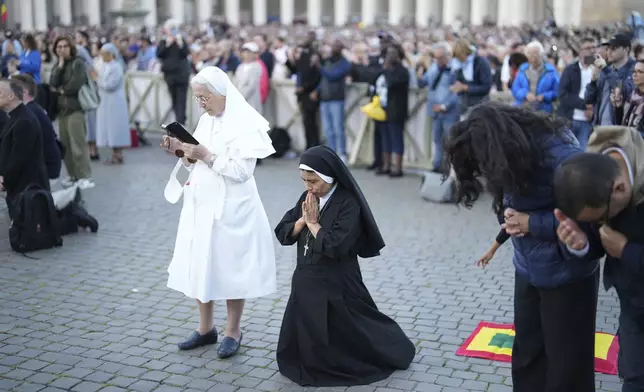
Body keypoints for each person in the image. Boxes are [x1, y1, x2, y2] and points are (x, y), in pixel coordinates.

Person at [444, 102, 603, 392]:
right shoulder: (512, 153)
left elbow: (592, 223)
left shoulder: (563, 157)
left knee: (567, 367)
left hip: (567, 277)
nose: (485, 173)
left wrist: (533, 223)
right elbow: (515, 206)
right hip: (529, 270)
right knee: (527, 357)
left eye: (483, 166)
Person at [274, 145, 415, 387]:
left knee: (354, 331)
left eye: (313, 181)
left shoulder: (349, 204)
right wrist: (301, 221)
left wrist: (314, 224)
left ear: (328, 177)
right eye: (304, 180)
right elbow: (283, 231)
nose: (308, 186)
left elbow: (336, 246)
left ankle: (393, 348)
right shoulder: (308, 197)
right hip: (306, 278)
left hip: (337, 281)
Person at [161, 66, 277, 359]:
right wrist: (180, 150)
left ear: (221, 93)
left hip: (233, 206)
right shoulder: (205, 120)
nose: (200, 103)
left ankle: (233, 330)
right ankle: (205, 328)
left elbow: (242, 171)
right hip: (201, 202)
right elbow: (194, 158)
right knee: (202, 262)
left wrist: (206, 156)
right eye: (197, 98)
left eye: (204, 97)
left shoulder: (245, 123)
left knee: (231, 265)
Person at [552, 126, 644, 392]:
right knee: (635, 380)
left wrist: (627, 251)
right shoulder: (591, 176)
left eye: (601, 218)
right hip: (634, 308)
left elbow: (617, 246)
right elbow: (599, 241)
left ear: (620, 187)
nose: (601, 224)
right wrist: (582, 244)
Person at [0, 79, 49, 219]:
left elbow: (18, 159)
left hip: (27, 190)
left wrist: (4, 180)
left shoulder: (24, 121)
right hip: (19, 188)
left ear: (11, 96)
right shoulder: (15, 117)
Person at [10, 74, 62, 187]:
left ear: (24, 91)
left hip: (45, 173)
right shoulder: (33, 109)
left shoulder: (29, 114)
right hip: (47, 168)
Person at [96, 43, 131, 164]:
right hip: (105, 102)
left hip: (115, 102)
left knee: (116, 128)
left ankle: (118, 153)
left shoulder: (117, 67)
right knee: (108, 128)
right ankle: (114, 153)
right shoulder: (104, 66)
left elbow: (110, 85)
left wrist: (97, 80)